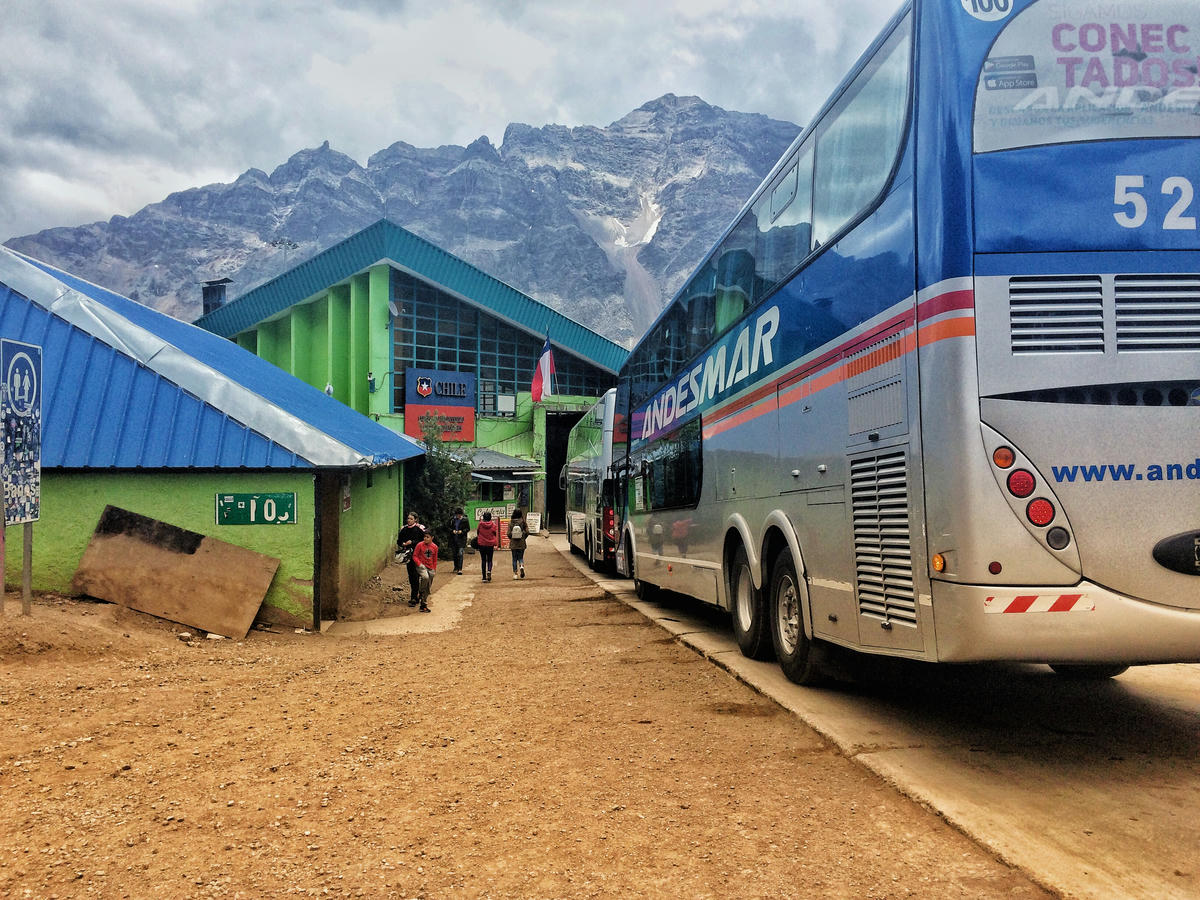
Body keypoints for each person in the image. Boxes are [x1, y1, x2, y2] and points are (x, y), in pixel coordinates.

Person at [396, 512, 426, 605]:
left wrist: (412, 542)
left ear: (415, 520)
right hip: (409, 556)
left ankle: (421, 594)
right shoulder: (404, 529)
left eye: (411, 519)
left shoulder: (420, 529)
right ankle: (414, 597)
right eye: (408, 518)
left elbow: (424, 540)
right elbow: (399, 541)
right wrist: (403, 544)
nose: (409, 520)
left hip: (420, 555)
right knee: (412, 576)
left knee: (422, 576)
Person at [412, 531, 438, 612]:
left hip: (430, 567)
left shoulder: (435, 547)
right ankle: (420, 591)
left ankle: (423, 604)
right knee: (425, 577)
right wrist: (419, 564)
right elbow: (415, 556)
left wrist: (434, 569)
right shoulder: (420, 545)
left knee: (428, 586)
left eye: (427, 537)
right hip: (421, 566)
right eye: (424, 537)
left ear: (432, 538)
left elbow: (435, 559)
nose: (425, 538)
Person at [476, 511, 499, 582]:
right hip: (490, 544)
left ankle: (483, 577)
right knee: (489, 559)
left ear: (483, 517)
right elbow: (494, 533)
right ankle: (489, 570)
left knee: (483, 560)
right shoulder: (493, 525)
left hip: (482, 544)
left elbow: (478, 532)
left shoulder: (480, 524)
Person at [508, 508, 528, 579]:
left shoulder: (510, 522)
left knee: (514, 559)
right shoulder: (523, 522)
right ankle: (521, 566)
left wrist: (512, 538)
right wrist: (523, 537)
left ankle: (515, 574)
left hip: (513, 544)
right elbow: (527, 532)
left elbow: (509, 534)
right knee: (520, 557)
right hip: (521, 543)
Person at [448, 508, 469, 575]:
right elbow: (447, 527)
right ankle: (456, 567)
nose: (458, 516)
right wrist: (452, 531)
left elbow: (468, 528)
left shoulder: (465, 520)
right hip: (453, 539)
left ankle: (460, 569)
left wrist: (462, 531)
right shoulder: (452, 520)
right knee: (454, 554)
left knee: (460, 553)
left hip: (461, 539)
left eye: (460, 515)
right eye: (457, 515)